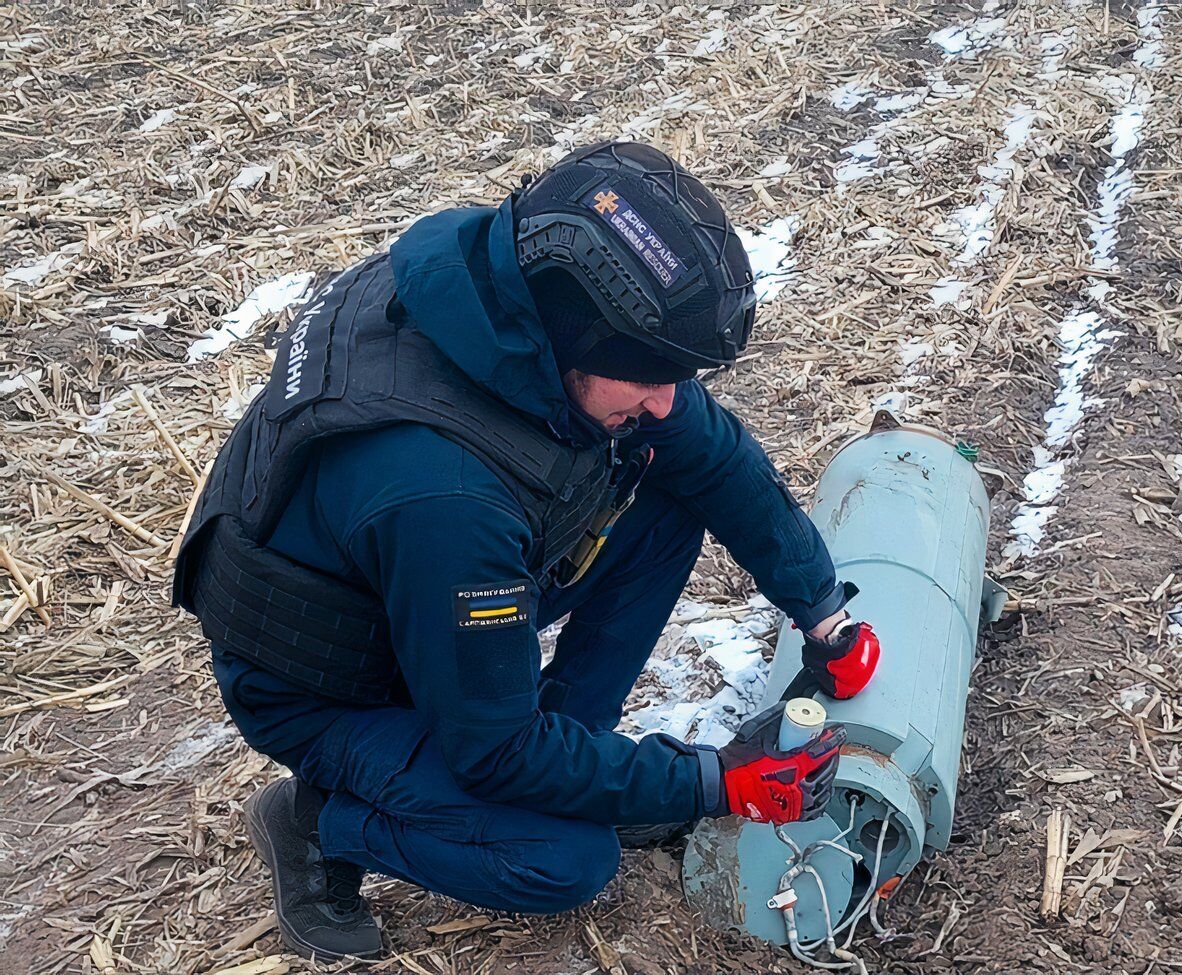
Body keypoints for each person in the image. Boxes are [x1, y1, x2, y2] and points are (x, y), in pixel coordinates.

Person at [172, 140, 881, 961]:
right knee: (563, 858)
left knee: (668, 506)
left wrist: (823, 612)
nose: (665, 399)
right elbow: (493, 746)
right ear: (583, 335)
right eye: (651, 374)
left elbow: (715, 458)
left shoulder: (515, 296)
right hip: (327, 682)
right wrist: (714, 779)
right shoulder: (445, 493)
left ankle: (567, 767)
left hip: (409, 599)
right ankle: (315, 822)